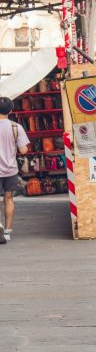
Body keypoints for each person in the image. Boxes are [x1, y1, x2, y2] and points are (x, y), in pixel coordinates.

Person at [0, 97, 29, 244]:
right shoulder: (16, 127)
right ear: (11, 111)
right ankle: (7, 231)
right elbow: (23, 150)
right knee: (9, 199)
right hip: (10, 170)